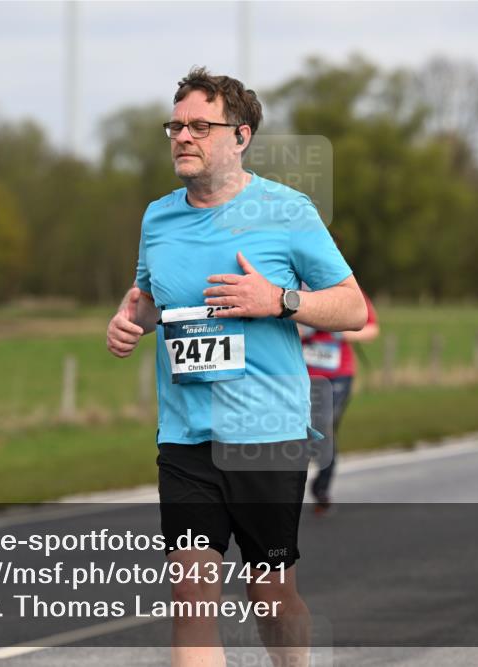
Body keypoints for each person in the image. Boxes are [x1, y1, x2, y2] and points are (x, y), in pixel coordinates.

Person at [106, 67, 367, 667]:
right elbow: (150, 298)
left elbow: (353, 307)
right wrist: (129, 321)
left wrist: (279, 300)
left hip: (265, 436)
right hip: (186, 435)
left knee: (270, 593)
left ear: (240, 136)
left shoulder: (286, 210)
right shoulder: (158, 218)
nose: (183, 136)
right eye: (176, 125)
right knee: (191, 594)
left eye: (201, 125)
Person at [300, 289, 379, 515]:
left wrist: (340, 332)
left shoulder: (346, 288)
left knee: (324, 425)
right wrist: (306, 328)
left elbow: (371, 329)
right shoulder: (296, 290)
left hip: (338, 376)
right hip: (303, 376)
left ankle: (321, 487)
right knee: (302, 432)